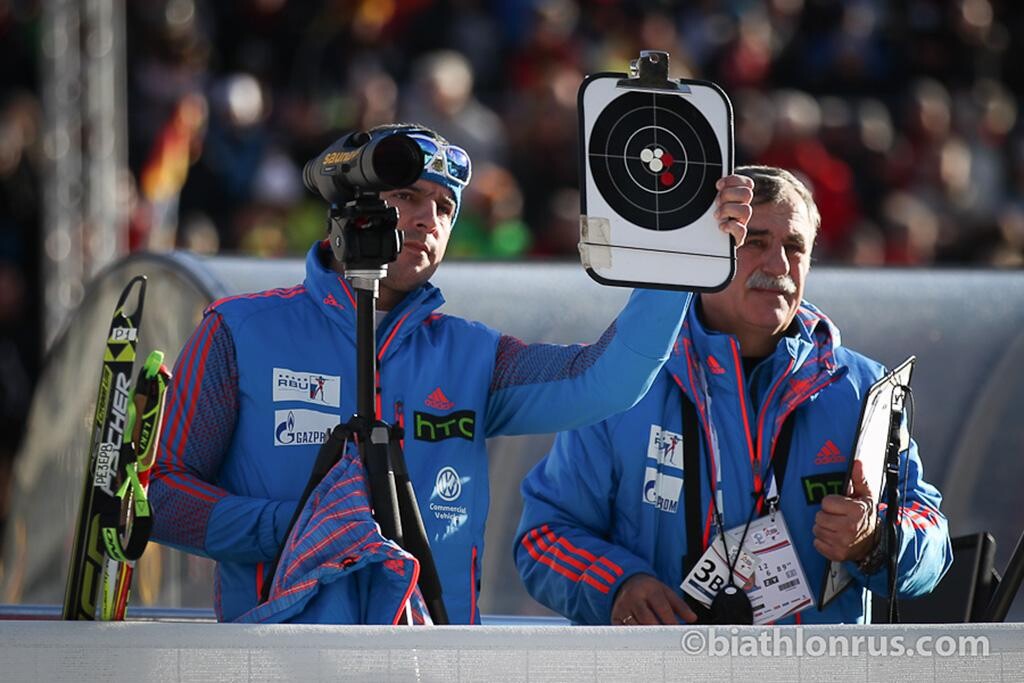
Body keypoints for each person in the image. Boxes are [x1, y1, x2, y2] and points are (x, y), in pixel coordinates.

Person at [149, 123, 754, 624]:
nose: (428, 218)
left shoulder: (472, 354)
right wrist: (293, 527)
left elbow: (608, 380)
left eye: (444, 206)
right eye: (407, 196)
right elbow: (164, 497)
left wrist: (680, 257)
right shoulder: (238, 330)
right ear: (345, 210)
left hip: (431, 661)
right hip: (277, 661)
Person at [515, 165, 952, 626]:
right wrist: (618, 585)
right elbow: (543, 538)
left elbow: (934, 538)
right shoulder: (622, 379)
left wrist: (875, 540)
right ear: (707, 254)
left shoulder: (864, 389)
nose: (779, 266)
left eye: (794, 248)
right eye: (755, 243)